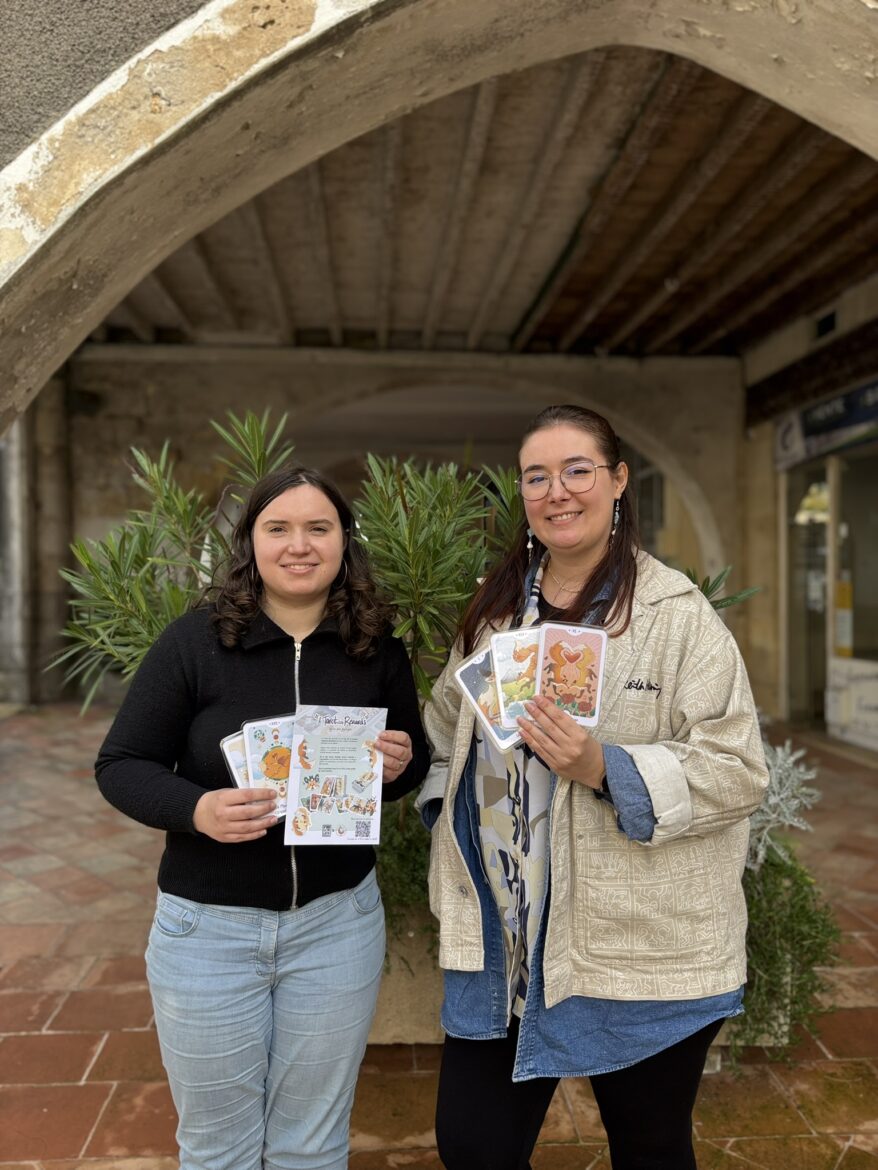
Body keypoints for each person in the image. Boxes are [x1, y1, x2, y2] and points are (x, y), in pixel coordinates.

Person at [417, 404, 769, 1170]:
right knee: (473, 1146)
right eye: (536, 476)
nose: (557, 491)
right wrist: (442, 808)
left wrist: (606, 768)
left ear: (617, 482)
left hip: (639, 947)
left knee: (648, 1147)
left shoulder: (677, 618)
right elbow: (446, 726)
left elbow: (738, 768)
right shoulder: (496, 616)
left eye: (577, 470)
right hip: (503, 944)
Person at [95, 464, 430, 1170]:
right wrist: (197, 808)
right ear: (250, 542)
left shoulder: (376, 645)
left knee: (311, 1145)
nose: (299, 544)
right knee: (219, 1150)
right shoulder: (195, 642)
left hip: (337, 927)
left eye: (319, 527)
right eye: (278, 528)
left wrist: (401, 764)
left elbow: (409, 769)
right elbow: (121, 764)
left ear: (345, 542)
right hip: (207, 933)